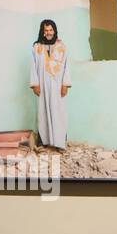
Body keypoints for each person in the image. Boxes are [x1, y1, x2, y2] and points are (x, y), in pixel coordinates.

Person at [30, 19, 71, 149]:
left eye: (50, 30)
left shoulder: (62, 47)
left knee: (59, 112)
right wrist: (35, 84)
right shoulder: (37, 47)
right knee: (43, 112)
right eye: (46, 30)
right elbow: (33, 66)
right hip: (43, 87)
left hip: (58, 86)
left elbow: (66, 67)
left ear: (54, 31)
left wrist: (65, 84)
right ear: (42, 32)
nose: (48, 33)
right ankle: (44, 141)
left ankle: (60, 142)